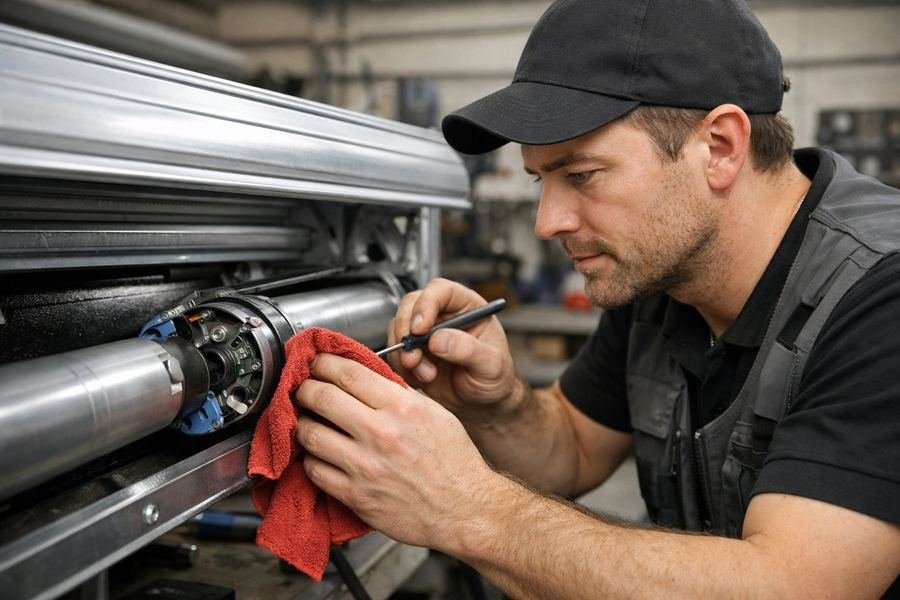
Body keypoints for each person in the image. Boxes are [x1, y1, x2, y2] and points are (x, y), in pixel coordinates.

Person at [294, 0, 900, 596]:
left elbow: (793, 584)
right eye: (541, 180)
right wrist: (497, 404)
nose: (547, 222)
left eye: (581, 175)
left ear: (719, 147)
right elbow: (574, 450)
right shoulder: (663, 272)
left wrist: (463, 506)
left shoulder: (880, 293)